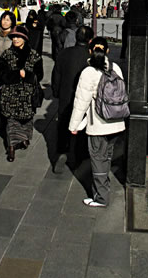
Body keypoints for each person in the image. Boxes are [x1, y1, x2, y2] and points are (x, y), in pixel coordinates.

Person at [69, 36, 126, 207]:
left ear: (90, 51)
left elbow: (81, 102)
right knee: (106, 158)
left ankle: (101, 198)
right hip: (117, 122)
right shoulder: (115, 67)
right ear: (107, 51)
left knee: (98, 160)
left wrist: (74, 125)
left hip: (99, 125)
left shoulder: (89, 72)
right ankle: (103, 190)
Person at [0, 26, 43, 161]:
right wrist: (16, 74)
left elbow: (39, 75)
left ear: (25, 39)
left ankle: (24, 139)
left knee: (26, 120)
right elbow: (2, 75)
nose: (16, 39)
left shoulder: (34, 55)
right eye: (14, 37)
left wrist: (28, 75)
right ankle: (11, 147)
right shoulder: (6, 55)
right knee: (11, 121)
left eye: (19, 37)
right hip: (10, 94)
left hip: (28, 95)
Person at [52, 25, 94, 168]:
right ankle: (79, 156)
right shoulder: (90, 56)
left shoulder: (64, 53)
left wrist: (56, 91)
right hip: (84, 97)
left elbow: (56, 74)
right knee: (82, 126)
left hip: (65, 94)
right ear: (90, 40)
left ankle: (62, 150)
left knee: (63, 123)